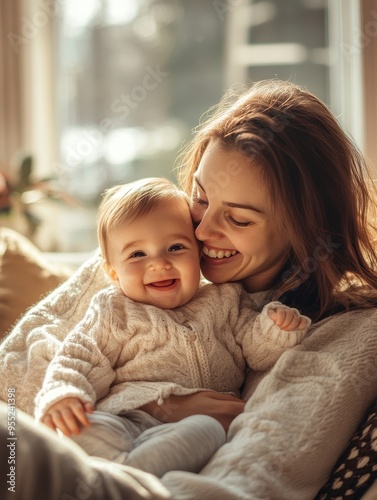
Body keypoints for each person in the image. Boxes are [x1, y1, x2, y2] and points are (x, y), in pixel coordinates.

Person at [131, 79, 377, 498]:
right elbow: (18, 386)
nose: (203, 230)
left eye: (239, 220)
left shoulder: (347, 335)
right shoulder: (140, 255)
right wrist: (157, 404)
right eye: (201, 197)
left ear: (305, 227)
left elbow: (248, 479)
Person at [35, 177, 310, 479]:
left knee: (208, 430)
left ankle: (120, 480)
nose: (159, 263)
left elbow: (256, 352)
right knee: (79, 427)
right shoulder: (113, 310)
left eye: (176, 247)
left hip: (187, 430)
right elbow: (80, 356)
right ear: (113, 271)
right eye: (138, 254)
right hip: (126, 419)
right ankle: (121, 474)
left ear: (198, 253)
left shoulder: (225, 299)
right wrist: (64, 394)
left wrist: (276, 329)